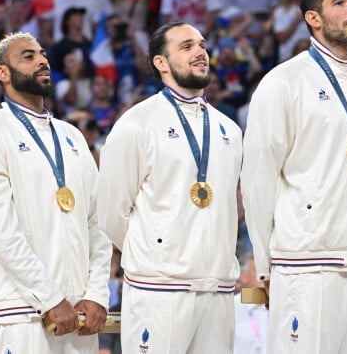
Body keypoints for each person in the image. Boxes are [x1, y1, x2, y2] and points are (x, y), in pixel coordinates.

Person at [241, 0, 347, 354]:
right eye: (340, 2)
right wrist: (264, 266)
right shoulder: (283, 82)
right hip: (306, 263)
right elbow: (258, 180)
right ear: (313, 18)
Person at [0, 31, 111, 353]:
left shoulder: (71, 136)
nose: (42, 60)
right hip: (19, 311)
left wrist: (97, 293)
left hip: (80, 311)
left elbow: (98, 222)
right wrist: (50, 298)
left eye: (42, 54)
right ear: (2, 73)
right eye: (27, 56)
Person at [98, 22, 242, 353]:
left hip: (218, 290)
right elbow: (110, 214)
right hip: (159, 289)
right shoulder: (136, 124)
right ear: (161, 62)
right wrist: (156, 253)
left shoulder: (229, 130)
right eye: (187, 46)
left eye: (203, 45)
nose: (200, 52)